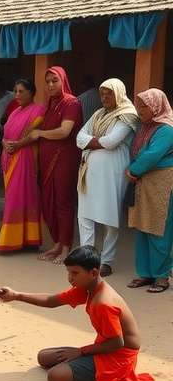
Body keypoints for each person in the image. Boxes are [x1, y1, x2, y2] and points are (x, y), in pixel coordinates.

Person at [0, 245, 155, 381]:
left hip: (119, 358)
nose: (70, 278)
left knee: (56, 376)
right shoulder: (87, 287)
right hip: (105, 348)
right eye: (68, 272)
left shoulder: (104, 303)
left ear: (93, 273)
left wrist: (81, 352)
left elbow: (117, 343)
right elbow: (52, 301)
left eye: (75, 273)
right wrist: (16, 295)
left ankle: (84, 366)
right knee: (43, 357)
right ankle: (78, 363)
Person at [75, 79, 138, 275]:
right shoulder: (99, 114)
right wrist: (95, 142)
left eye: (108, 93)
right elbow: (79, 138)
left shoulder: (128, 115)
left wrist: (90, 141)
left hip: (114, 171)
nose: (104, 98)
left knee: (109, 216)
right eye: (102, 94)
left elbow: (112, 142)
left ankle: (106, 261)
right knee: (85, 214)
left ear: (119, 93)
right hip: (88, 171)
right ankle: (86, 258)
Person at [30, 66, 83, 263]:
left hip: (64, 158)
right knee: (48, 201)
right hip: (47, 158)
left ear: (63, 81)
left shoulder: (72, 103)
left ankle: (66, 247)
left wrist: (40, 134)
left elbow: (64, 131)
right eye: (48, 81)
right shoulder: (51, 103)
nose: (51, 85)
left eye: (55, 80)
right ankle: (57, 243)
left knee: (63, 202)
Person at [126, 88, 173, 294]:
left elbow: (152, 155)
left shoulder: (166, 129)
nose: (140, 109)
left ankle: (162, 276)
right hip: (144, 182)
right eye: (139, 105)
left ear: (156, 106)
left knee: (158, 229)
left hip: (161, 183)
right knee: (142, 226)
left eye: (145, 105)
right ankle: (145, 273)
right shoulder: (146, 128)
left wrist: (133, 169)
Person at [0, 78, 45, 252]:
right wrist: (4, 143)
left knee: (23, 198)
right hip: (9, 158)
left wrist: (18, 145)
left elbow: (35, 135)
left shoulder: (38, 110)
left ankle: (20, 240)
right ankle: (19, 238)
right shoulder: (15, 111)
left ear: (32, 93)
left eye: (21, 91)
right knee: (12, 198)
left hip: (25, 159)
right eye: (15, 91)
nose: (17, 95)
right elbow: (5, 134)